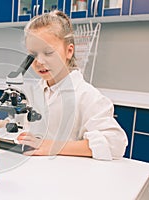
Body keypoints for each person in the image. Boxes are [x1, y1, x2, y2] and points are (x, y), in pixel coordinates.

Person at [16, 10, 128, 160]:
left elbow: (115, 143)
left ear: (69, 51)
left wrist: (53, 146)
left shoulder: (86, 96)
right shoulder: (37, 90)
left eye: (48, 52)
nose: (39, 62)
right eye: (33, 54)